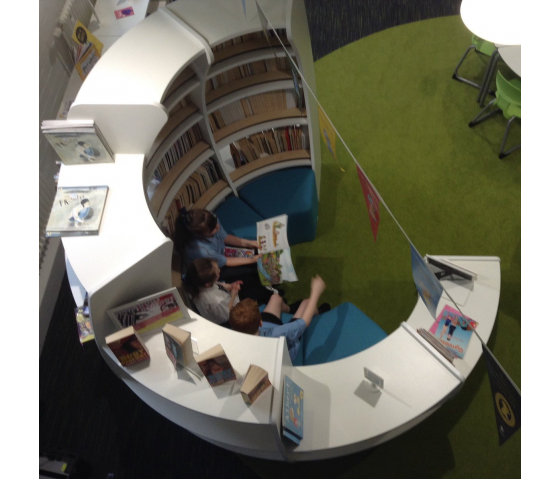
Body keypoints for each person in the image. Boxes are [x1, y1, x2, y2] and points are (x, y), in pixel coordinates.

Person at [174, 208, 275, 304]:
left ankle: (271, 282)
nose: (218, 227)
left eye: (216, 223)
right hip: (210, 270)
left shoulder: (211, 219)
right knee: (253, 269)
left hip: (220, 256)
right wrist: (252, 260)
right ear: (202, 235)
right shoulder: (201, 250)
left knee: (256, 258)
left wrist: (249, 243)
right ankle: (267, 293)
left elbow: (225, 237)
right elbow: (226, 261)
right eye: (213, 230)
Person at [229, 275, 328, 362]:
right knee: (307, 303)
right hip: (285, 347)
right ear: (260, 322)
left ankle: (290, 309)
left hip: (264, 328)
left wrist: (233, 295)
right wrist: (316, 292)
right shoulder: (275, 334)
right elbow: (304, 322)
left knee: (275, 298)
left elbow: (230, 311)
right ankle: (320, 311)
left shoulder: (236, 333)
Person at [183, 258, 242, 326]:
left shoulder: (195, 282)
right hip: (227, 315)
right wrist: (233, 295)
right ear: (208, 284)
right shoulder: (215, 301)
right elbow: (227, 314)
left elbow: (214, 284)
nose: (219, 270)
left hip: (223, 300)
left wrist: (227, 286)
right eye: (217, 273)